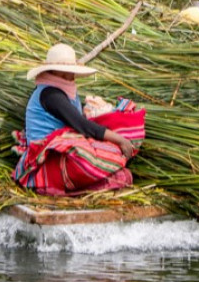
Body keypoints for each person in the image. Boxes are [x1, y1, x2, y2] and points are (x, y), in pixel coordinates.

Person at [12, 43, 143, 196]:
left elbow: (79, 119)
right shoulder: (51, 95)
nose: (72, 76)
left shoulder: (63, 91)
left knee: (123, 174)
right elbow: (81, 124)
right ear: (57, 72)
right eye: (69, 72)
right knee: (103, 159)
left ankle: (91, 183)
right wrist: (119, 139)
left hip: (60, 154)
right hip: (47, 160)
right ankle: (70, 186)